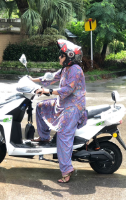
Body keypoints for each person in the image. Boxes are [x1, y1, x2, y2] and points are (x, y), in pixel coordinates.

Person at [29, 39, 87, 183]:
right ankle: (44, 137)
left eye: (61, 55)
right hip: (63, 103)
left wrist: (48, 91)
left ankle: (67, 170)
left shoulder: (76, 70)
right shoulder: (65, 69)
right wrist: (32, 80)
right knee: (41, 107)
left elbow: (67, 90)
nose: (59, 57)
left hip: (73, 107)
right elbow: (50, 78)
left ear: (69, 56)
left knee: (63, 134)